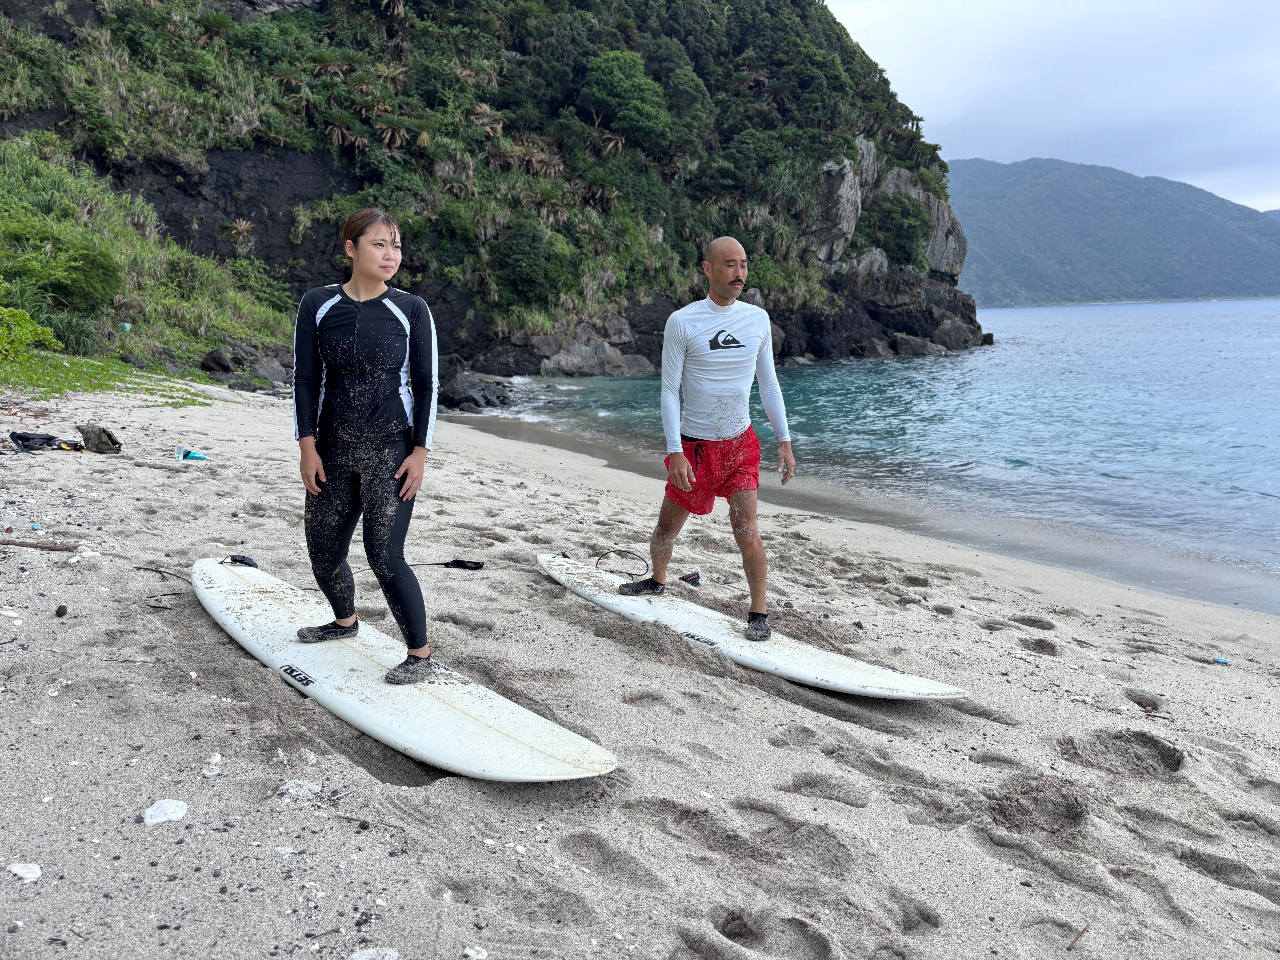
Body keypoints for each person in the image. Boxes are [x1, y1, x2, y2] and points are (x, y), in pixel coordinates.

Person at [290, 208, 441, 684]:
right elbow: (306, 380)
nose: (391, 254)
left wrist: (420, 452)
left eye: (396, 245)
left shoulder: (411, 309)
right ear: (350, 248)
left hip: (389, 451)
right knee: (322, 550)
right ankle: (345, 621)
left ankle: (419, 654)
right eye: (380, 244)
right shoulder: (317, 304)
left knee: (384, 554)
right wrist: (307, 447)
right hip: (332, 449)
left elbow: (428, 385)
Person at [619, 236, 796, 640]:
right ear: (708, 269)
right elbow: (669, 390)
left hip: (739, 446)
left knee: (746, 528)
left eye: (744, 265)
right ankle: (658, 580)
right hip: (695, 449)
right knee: (666, 530)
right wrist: (675, 451)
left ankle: (758, 614)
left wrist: (784, 440)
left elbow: (768, 384)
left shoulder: (756, 319)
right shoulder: (683, 321)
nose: (740, 273)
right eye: (730, 265)